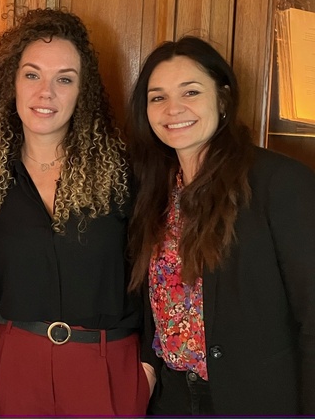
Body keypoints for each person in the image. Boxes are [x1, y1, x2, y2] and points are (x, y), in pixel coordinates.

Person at [0, 8, 152, 415]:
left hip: (107, 366)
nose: (45, 93)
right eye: (32, 75)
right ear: (10, 83)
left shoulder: (122, 174)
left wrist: (148, 369)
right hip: (17, 365)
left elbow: (153, 272)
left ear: (82, 91)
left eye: (64, 79)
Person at [126, 36, 315, 415]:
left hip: (256, 399)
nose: (173, 109)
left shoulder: (279, 183)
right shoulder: (153, 189)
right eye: (157, 97)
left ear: (223, 99)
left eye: (191, 92)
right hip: (173, 397)